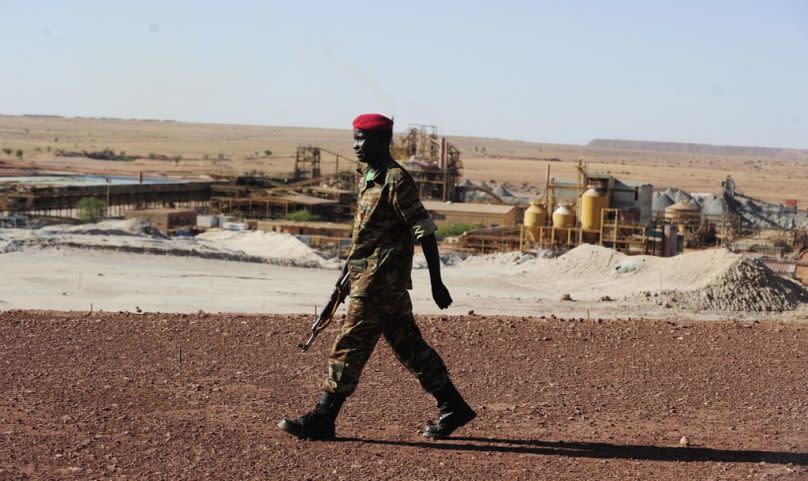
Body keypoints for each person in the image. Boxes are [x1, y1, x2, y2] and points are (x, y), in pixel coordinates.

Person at [278, 113, 475, 440]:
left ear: (382, 141)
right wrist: (347, 274)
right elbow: (366, 236)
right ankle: (453, 406)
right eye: (354, 138)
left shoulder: (397, 180)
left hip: (381, 283)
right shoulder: (368, 177)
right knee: (409, 345)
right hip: (368, 277)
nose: (356, 145)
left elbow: (424, 231)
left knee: (350, 342)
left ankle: (324, 417)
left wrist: (437, 283)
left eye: (362, 139)